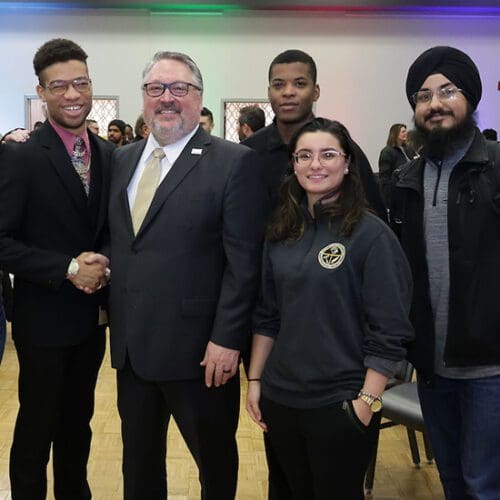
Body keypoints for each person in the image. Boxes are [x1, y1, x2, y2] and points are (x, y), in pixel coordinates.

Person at [106, 51, 268, 499]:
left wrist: (228, 339)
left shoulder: (233, 162)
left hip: (201, 354)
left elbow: (244, 263)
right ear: (144, 98)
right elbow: (123, 242)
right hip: (132, 349)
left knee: (214, 464)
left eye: (180, 89)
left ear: (200, 98)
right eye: (156, 89)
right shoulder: (123, 160)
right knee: (137, 467)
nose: (167, 99)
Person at [242, 48, 386, 500]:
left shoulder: (364, 212)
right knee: (284, 477)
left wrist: (368, 399)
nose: (315, 165)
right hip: (275, 348)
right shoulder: (246, 158)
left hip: (340, 360)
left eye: (299, 83)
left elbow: (382, 296)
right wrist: (255, 377)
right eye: (279, 84)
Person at [0, 38, 113, 498]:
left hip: (92, 319)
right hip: (43, 317)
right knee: (36, 426)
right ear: (42, 91)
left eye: (80, 83)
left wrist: (103, 263)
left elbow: (107, 226)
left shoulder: (107, 153)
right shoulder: (21, 153)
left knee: (78, 424)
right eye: (59, 86)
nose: (72, 95)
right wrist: (67, 267)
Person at [391, 45, 500, 499]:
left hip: (489, 366)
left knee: (483, 483)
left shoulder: (495, 167)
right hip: (431, 365)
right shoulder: (407, 179)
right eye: (422, 95)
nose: (434, 104)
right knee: (452, 479)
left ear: (470, 98)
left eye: (447, 91)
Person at [243, 49, 385, 220]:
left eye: (300, 84)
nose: (288, 92)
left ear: (316, 92)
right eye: (278, 85)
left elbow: (375, 216)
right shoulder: (248, 153)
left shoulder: (341, 148)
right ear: (269, 92)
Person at [378, 123, 415, 208]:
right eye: (403, 131)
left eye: (406, 131)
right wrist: (388, 199)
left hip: (410, 190)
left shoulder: (409, 149)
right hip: (397, 192)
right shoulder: (387, 152)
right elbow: (384, 178)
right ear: (395, 134)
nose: (406, 133)